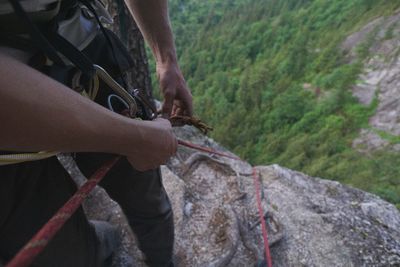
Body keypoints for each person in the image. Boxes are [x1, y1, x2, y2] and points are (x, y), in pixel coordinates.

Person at [0, 0, 192, 266]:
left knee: (142, 193)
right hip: (74, 64)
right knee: (66, 255)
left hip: (78, 53)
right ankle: (94, 246)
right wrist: (134, 138)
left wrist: (167, 59)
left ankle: (147, 257)